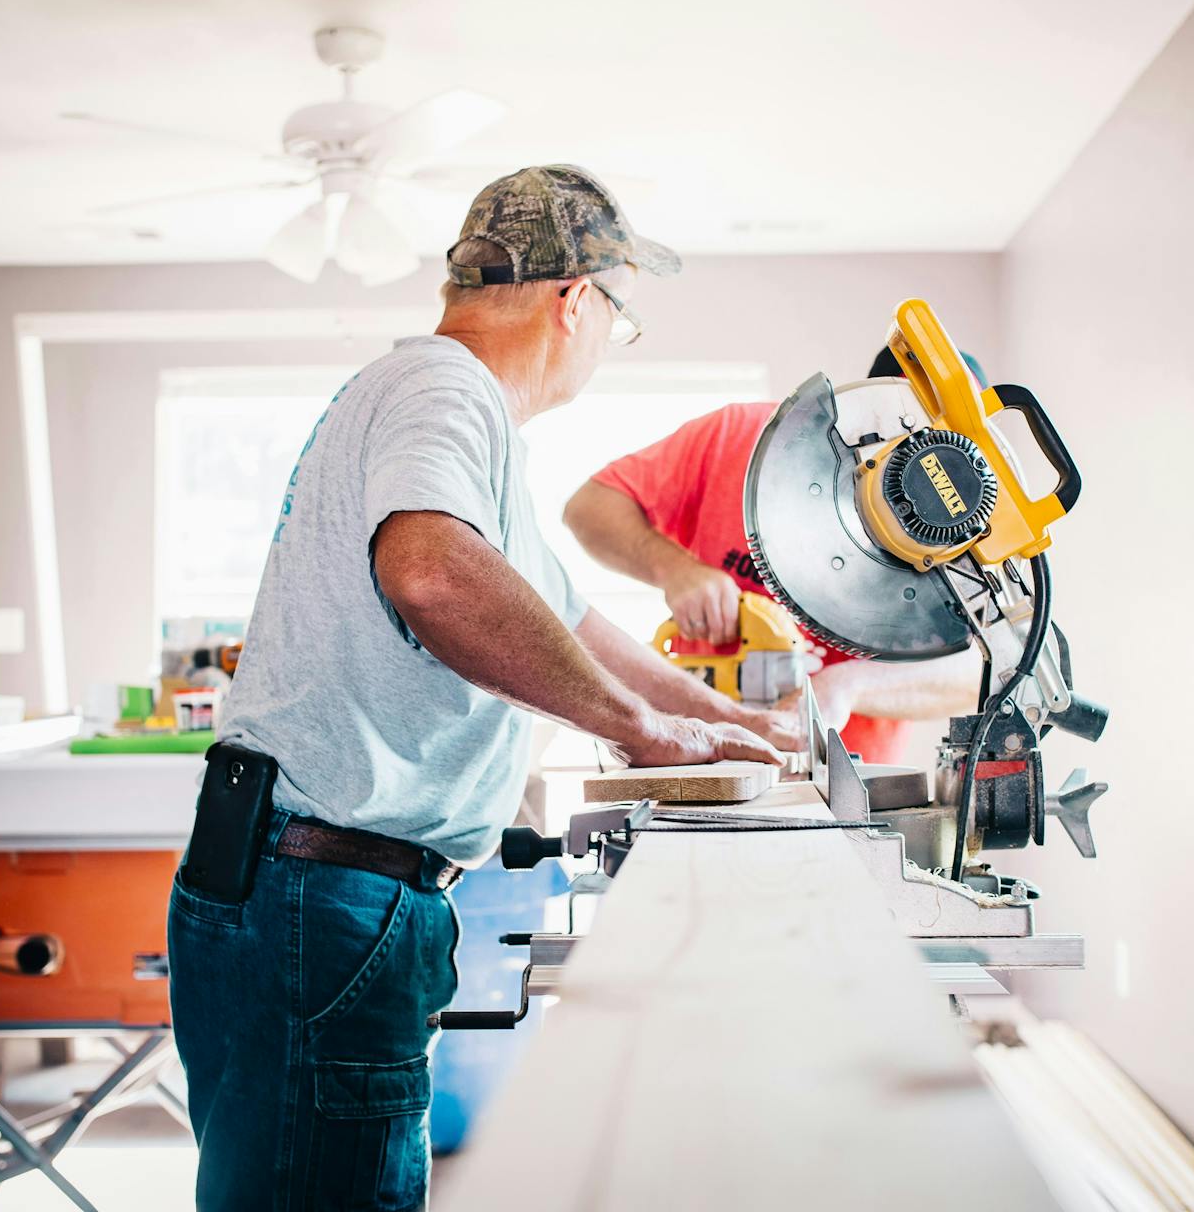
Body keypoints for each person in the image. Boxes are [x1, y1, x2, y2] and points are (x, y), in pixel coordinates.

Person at [167, 164, 793, 1212]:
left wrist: (720, 718)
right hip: (323, 895)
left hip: (310, 885)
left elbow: (568, 614)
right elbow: (429, 569)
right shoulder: (445, 388)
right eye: (618, 318)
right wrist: (642, 730)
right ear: (577, 299)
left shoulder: (452, 416)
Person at [563, 347, 990, 765]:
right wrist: (673, 568)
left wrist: (849, 684)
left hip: (846, 780)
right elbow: (589, 508)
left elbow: (982, 672)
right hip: (696, 751)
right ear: (863, 400)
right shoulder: (739, 436)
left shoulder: (960, 530)